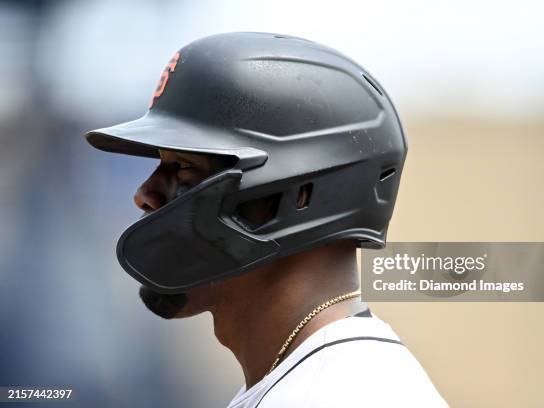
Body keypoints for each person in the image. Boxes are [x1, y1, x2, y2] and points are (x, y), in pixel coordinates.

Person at [85, 32, 448, 407]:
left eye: (183, 166)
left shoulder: (347, 393)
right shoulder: (313, 379)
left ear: (301, 193)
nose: (144, 194)